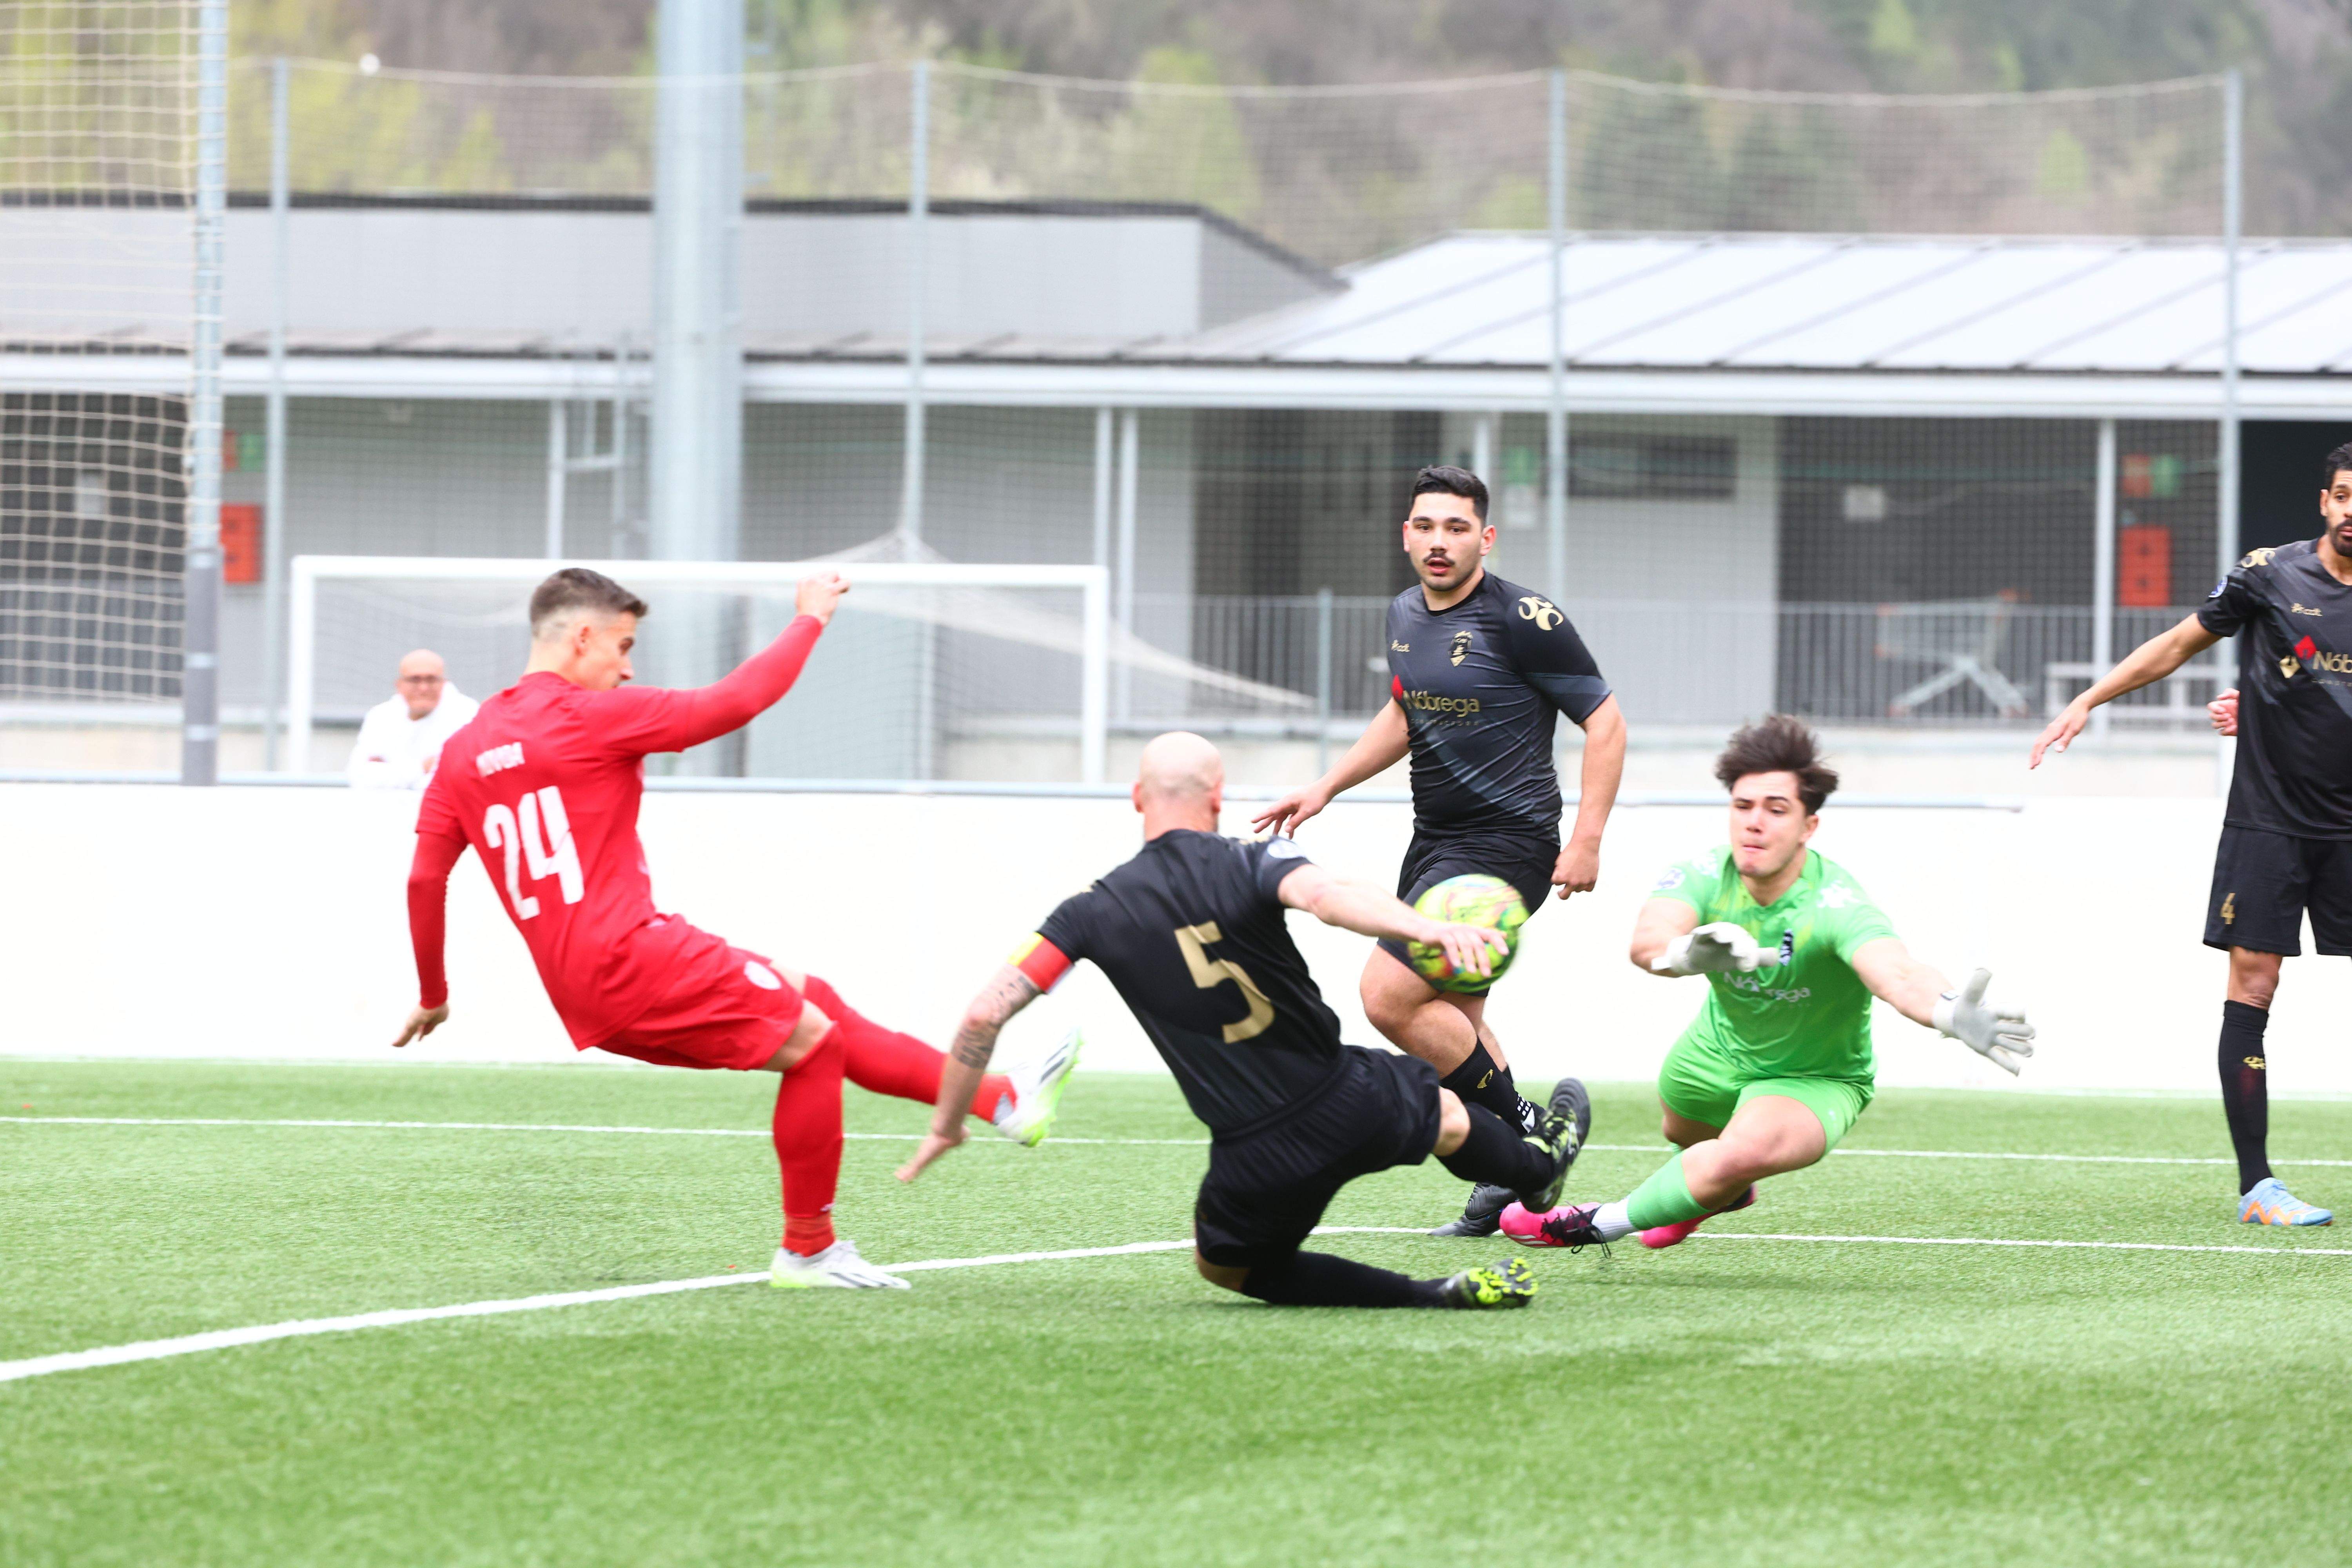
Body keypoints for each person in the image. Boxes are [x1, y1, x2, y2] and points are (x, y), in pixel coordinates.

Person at [394, 567, 1078, 1290]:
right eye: (623, 647)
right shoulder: (584, 717)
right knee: (815, 1043)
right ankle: (808, 1248)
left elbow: (423, 879)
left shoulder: (465, 749)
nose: (628, 669)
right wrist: (811, 618)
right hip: (634, 958)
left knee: (809, 995)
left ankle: (999, 1099)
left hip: (585, 988)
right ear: (583, 636)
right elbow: (738, 700)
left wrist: (435, 994)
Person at [897, 730, 1580, 1310]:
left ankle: (1427, 1296)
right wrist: (1424, 929)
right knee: (1447, 1116)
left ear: (1137, 799)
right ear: (1218, 800)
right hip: (1351, 1099)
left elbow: (984, 1014)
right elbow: (1330, 897)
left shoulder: (1088, 912)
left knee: (1226, 1266)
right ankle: (1534, 1170)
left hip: (1255, 1155)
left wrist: (946, 1123)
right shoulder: (1254, 861)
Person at [1252, 464, 1624, 1236]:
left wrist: (1586, 838)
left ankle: (1530, 1133)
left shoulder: (1523, 616)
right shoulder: (1402, 615)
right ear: (1406, 535)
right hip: (1434, 843)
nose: (1439, 541)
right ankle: (1510, 1177)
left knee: (1388, 996)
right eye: (1426, 526)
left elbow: (1607, 721)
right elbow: (1405, 710)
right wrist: (1327, 785)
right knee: (1453, 1016)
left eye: (1457, 527)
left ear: (1485, 537)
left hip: (1509, 845)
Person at [1502, 717, 2034, 1252]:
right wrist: (1684, 953)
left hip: (1813, 1077)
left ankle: (1592, 1223)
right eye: (1743, 806)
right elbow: (1648, 940)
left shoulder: (1835, 904)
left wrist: (1946, 1011)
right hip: (1714, 1050)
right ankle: (1723, 1192)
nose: (1755, 823)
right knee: (1682, 1136)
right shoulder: (1705, 873)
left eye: (1776, 810)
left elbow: (1897, 972)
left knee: (1736, 1154)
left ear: (1809, 828)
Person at [2031, 441, 2352, 1227]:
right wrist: (2091, 699)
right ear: (2324, 500)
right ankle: (2259, 1186)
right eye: (2344, 495)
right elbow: (2178, 645)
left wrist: (2277, 708)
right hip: (2269, 822)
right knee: (2253, 988)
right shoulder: (2269, 574)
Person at [348, 649, 479, 789]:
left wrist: (388, 772)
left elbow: (455, 782)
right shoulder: (380, 716)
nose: (423, 688)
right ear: (399, 685)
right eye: (415, 680)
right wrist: (422, 768)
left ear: (444, 683)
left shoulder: (467, 714)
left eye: (431, 679)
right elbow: (358, 777)